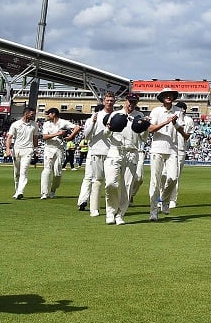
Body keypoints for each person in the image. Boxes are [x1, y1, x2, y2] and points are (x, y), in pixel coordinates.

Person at [103, 94, 149, 225]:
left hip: (132, 152)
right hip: (115, 150)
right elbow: (106, 135)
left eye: (134, 102)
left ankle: (120, 214)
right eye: (130, 101)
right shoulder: (115, 114)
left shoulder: (139, 116)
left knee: (127, 186)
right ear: (125, 101)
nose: (131, 104)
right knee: (111, 183)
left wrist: (145, 126)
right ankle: (110, 212)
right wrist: (109, 128)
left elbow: (143, 138)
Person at [146, 89, 184, 220]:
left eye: (171, 95)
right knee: (155, 181)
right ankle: (153, 211)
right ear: (162, 98)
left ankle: (165, 200)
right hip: (157, 148)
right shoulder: (156, 111)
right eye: (166, 95)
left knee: (173, 178)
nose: (169, 97)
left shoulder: (178, 111)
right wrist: (165, 122)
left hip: (173, 149)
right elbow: (150, 129)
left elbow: (182, 130)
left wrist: (175, 123)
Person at [78, 93, 116, 216]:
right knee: (96, 180)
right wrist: (94, 123)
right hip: (97, 152)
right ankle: (94, 208)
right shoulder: (95, 116)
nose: (109, 102)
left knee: (111, 182)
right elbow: (86, 136)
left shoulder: (117, 116)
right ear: (104, 101)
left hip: (112, 152)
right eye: (107, 100)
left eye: (112, 100)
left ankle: (111, 208)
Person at [39, 107, 80, 199]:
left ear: (53, 114)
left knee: (57, 173)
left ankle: (53, 190)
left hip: (59, 149)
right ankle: (44, 193)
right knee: (46, 170)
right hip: (49, 148)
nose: (48, 116)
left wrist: (71, 136)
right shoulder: (46, 124)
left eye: (49, 114)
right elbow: (45, 137)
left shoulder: (63, 122)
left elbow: (77, 127)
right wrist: (58, 133)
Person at [163, 99, 194, 210]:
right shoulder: (171, 117)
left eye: (179, 109)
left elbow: (186, 136)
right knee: (164, 175)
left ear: (183, 110)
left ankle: (172, 200)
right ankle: (163, 198)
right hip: (168, 149)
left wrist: (177, 124)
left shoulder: (189, 120)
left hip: (180, 150)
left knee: (175, 177)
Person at [5, 107, 38, 199]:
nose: (33, 115)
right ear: (26, 114)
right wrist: (8, 149)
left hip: (28, 149)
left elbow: (35, 138)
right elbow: (9, 137)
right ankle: (17, 191)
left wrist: (36, 150)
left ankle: (20, 192)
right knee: (17, 172)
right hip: (17, 150)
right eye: (32, 114)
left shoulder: (34, 125)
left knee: (24, 171)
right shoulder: (16, 124)